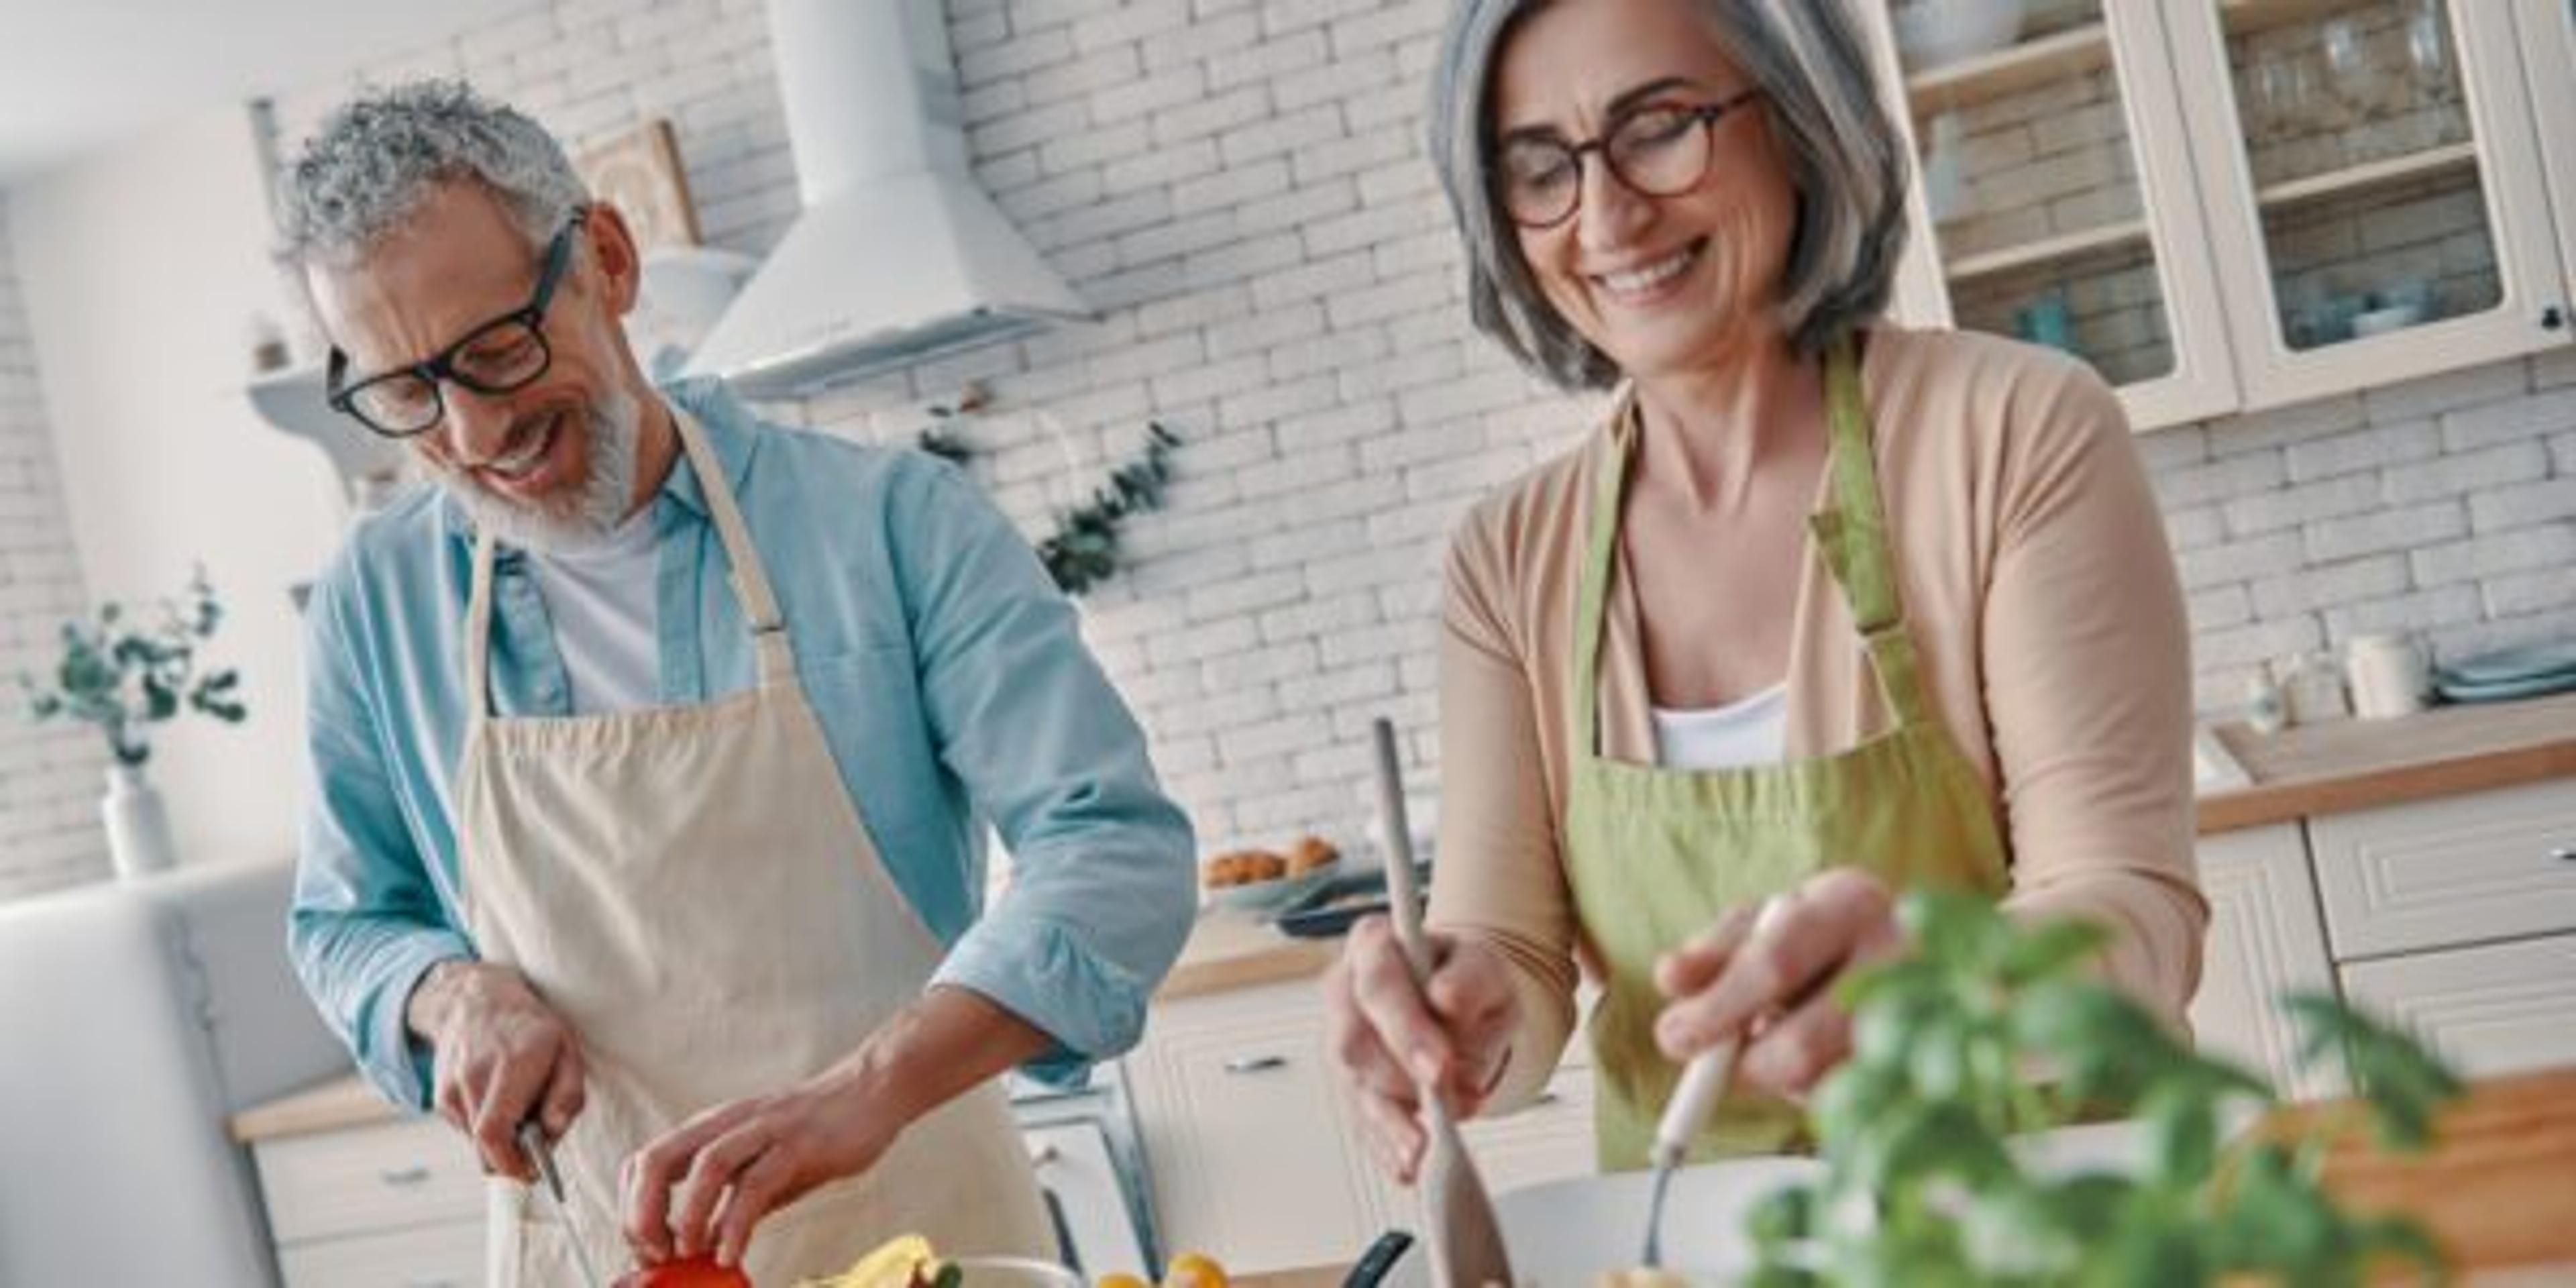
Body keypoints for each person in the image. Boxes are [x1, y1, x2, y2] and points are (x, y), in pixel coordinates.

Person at [280, 83, 1195, 1283]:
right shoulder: (377, 597)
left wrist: (872, 1091)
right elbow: (348, 921)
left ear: (605, 260)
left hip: (918, 1229)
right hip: (593, 1250)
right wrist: (445, 995)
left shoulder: (890, 524)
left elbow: (1111, 847)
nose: (471, 432)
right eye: (405, 394)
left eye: (497, 349)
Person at [1325, 0, 2205, 1179]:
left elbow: (2134, 924)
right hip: (1689, 1243)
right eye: (1539, 169)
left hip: (2044, 1217)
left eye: (1661, 127)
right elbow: (1514, 969)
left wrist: (1944, 983)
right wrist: (1455, 1016)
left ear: (1797, 123)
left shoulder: (2015, 431)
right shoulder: (1506, 558)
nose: (1606, 214)